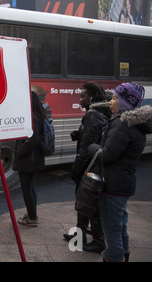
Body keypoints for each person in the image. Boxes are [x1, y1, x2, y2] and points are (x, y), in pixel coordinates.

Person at [88, 82, 152, 262]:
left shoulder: (123, 125)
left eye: (115, 98)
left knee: (112, 232)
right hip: (123, 184)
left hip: (113, 186)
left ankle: (114, 257)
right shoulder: (136, 124)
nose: (111, 102)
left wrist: (93, 147)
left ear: (125, 102)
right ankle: (124, 255)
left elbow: (107, 155)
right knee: (120, 226)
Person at [64, 82, 111, 253]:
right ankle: (80, 234)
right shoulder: (98, 113)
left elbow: (86, 146)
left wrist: (77, 169)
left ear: (91, 97)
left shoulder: (93, 115)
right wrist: (79, 133)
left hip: (89, 165)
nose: (80, 99)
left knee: (88, 202)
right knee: (84, 200)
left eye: (82, 96)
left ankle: (98, 241)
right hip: (93, 164)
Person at [13, 91, 46, 227]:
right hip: (34, 159)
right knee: (31, 187)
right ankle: (32, 213)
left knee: (27, 189)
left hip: (28, 160)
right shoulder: (38, 115)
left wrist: (20, 151)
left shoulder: (32, 117)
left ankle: (32, 218)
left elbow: (34, 139)